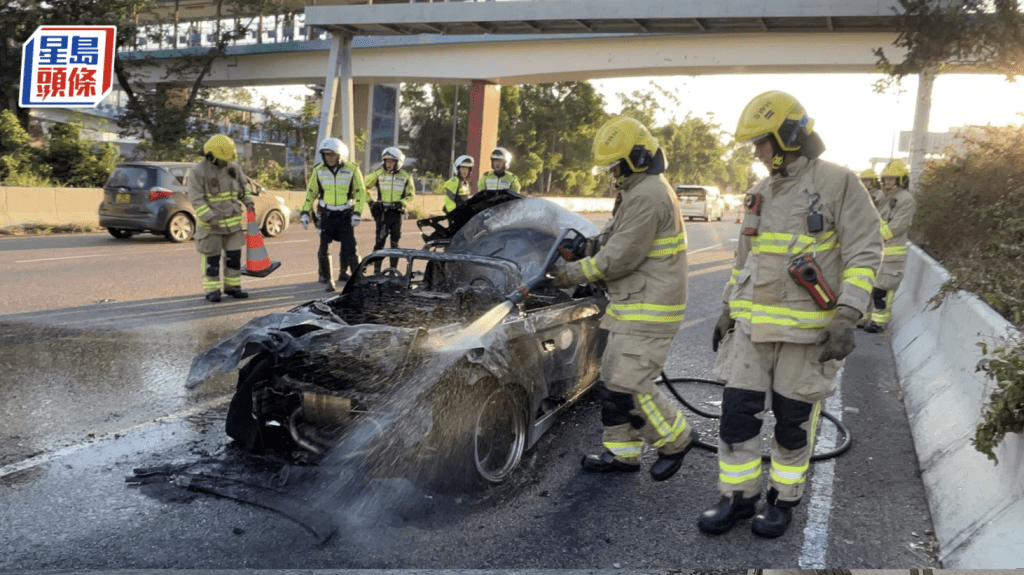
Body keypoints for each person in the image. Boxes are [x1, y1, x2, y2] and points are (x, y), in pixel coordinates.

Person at [699, 91, 882, 538]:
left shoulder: (838, 183)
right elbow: (744, 261)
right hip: (752, 333)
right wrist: (727, 309)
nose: (757, 153)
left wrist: (848, 314)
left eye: (762, 142)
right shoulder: (759, 193)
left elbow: (865, 251)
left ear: (789, 136)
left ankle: (783, 501)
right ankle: (738, 498)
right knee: (737, 417)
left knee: (792, 423)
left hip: (808, 336)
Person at [547, 116, 695, 482]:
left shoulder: (648, 195)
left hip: (650, 308)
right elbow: (615, 240)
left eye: (616, 165)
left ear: (636, 158)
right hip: (635, 304)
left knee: (629, 385)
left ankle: (676, 440)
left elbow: (620, 258)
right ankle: (623, 454)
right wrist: (586, 246)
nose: (612, 173)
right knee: (613, 378)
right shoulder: (637, 190)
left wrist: (572, 273)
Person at [187, 134, 254, 303]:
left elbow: (243, 187)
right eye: (222, 160)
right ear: (211, 156)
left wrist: (248, 201)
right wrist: (210, 217)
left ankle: (233, 287)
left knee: (233, 257)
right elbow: (196, 198)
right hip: (211, 228)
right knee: (212, 260)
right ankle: (212, 290)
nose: (225, 163)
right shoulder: (198, 172)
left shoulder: (232, 168)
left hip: (232, 225)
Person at [300, 137, 367, 287]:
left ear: (340, 155)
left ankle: (356, 279)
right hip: (326, 215)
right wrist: (305, 212)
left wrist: (357, 212)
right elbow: (310, 193)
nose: (329, 158)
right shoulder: (319, 170)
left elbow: (361, 193)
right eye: (326, 154)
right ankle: (327, 278)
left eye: (332, 154)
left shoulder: (352, 169)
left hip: (345, 215)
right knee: (324, 247)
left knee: (350, 248)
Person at [864, 159, 917, 333]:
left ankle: (879, 322)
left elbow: (896, 227)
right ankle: (868, 318)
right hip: (878, 251)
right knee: (871, 287)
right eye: (885, 178)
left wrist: (873, 237)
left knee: (883, 290)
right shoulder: (887, 197)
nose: (887, 181)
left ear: (901, 180)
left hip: (892, 254)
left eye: (891, 178)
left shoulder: (905, 199)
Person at [364, 146, 415, 273]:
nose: (388, 164)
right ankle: (376, 270)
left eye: (391, 161)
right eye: (386, 161)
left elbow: (411, 196)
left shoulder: (406, 176)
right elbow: (362, 186)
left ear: (398, 162)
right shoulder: (378, 173)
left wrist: (402, 203)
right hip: (383, 214)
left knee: (394, 244)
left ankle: (393, 270)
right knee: (380, 242)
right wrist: (371, 202)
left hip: (396, 214)